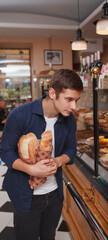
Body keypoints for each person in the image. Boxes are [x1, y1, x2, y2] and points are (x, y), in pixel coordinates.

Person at [1, 69, 83, 240]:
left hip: (54, 194)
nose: (74, 107)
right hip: (25, 194)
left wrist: (58, 160)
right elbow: (5, 152)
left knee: (48, 236)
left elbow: (71, 150)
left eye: (76, 100)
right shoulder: (20, 115)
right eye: (69, 99)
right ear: (52, 93)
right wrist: (30, 169)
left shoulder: (69, 119)